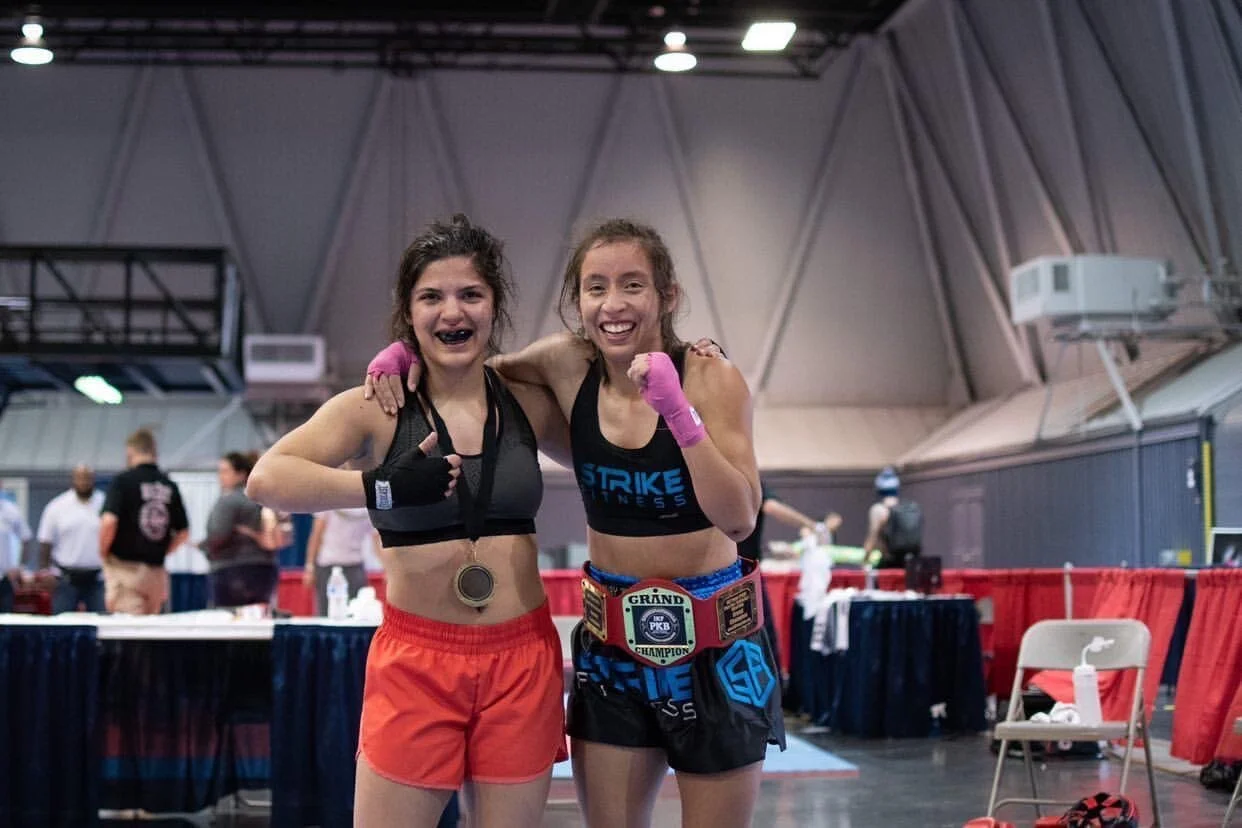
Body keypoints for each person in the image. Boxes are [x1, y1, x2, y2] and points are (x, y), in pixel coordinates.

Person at [365, 218, 784, 828]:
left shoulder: (709, 378)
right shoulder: (566, 365)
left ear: (667, 296)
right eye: (595, 288)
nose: (613, 305)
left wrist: (679, 413)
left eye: (632, 285)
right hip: (613, 646)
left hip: (714, 646)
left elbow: (740, 518)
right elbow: (482, 366)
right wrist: (409, 354)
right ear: (578, 302)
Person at [246, 215, 572, 827]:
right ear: (408, 311)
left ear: (495, 305)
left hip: (522, 659)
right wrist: (382, 487)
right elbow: (268, 478)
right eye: (432, 297)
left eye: (470, 294)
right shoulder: (378, 404)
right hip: (419, 661)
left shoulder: (525, 400)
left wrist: (689, 359)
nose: (453, 312)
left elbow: (607, 417)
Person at [99, 428, 191, 615]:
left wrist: (103, 552)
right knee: (150, 633)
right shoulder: (169, 485)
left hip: (126, 570)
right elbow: (183, 532)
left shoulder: (123, 481)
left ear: (130, 452)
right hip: (156, 573)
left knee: (129, 634)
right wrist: (163, 550)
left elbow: (109, 521)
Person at [203, 451, 286, 609]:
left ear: (241, 474)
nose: (220, 476)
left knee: (229, 623)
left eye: (225, 471)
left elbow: (219, 534)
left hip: (232, 570)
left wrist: (206, 548)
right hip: (266, 570)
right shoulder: (265, 498)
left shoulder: (228, 501)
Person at [36, 465, 105, 613]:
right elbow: (45, 542)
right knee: (61, 627)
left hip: (98, 578)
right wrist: (44, 572)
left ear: (93, 480)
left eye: (87, 478)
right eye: (80, 478)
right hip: (65, 579)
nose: (84, 482)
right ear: (73, 480)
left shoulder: (105, 503)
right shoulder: (57, 506)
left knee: (104, 623)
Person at [303, 501, 377, 617]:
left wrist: (388, 569)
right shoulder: (330, 500)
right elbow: (316, 535)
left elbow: (376, 539)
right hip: (328, 565)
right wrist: (309, 567)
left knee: (356, 614)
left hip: (355, 566)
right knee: (325, 614)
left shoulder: (367, 506)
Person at [863, 465, 922, 569]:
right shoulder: (909, 508)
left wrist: (865, 559)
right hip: (911, 561)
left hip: (891, 561)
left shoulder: (878, 509)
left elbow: (873, 538)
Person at [0, 492, 33, 613]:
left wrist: (20, 567)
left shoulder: (10, 511)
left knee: (5, 623)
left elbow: (26, 538)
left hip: (4, 579)